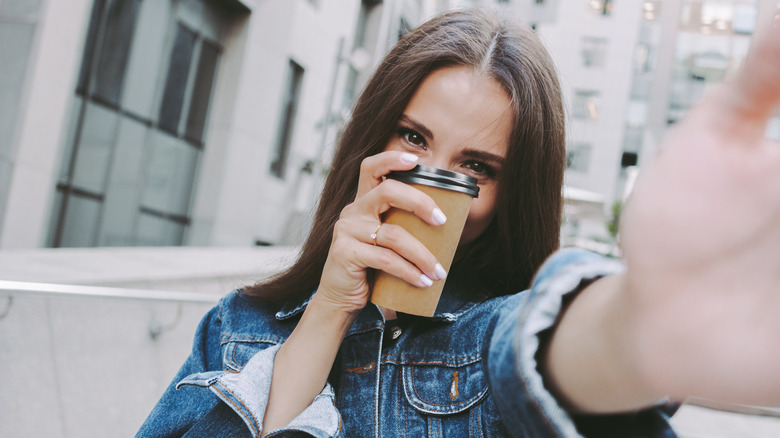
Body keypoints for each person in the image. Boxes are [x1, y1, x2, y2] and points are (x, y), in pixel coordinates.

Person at [137, 8, 780, 438]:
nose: (429, 182)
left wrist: (644, 323)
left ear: (511, 193)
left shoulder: (493, 337)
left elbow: (549, 351)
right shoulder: (237, 329)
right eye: (412, 137)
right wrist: (332, 305)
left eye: (477, 167)